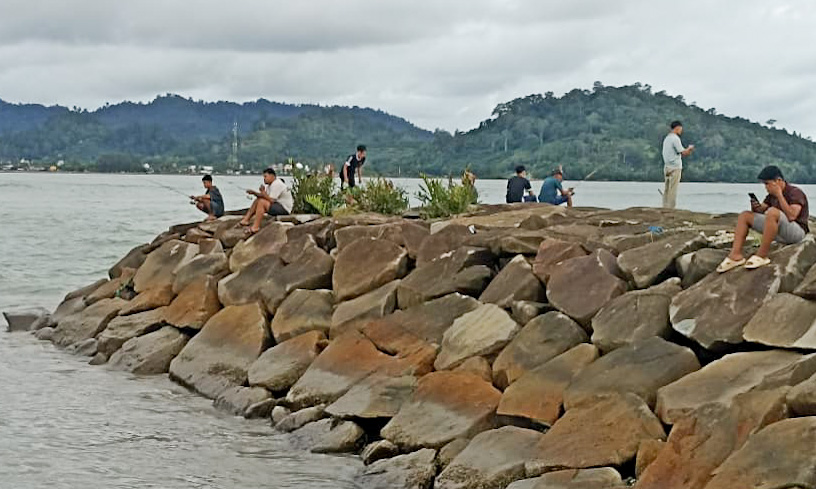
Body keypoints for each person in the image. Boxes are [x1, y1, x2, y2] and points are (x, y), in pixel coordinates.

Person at [717, 165, 809, 272]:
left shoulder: (795, 193)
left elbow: (792, 216)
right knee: (745, 215)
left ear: (778, 181)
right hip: (779, 232)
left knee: (773, 212)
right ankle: (735, 255)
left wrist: (779, 195)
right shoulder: (771, 196)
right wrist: (755, 207)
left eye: (767, 184)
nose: (766, 187)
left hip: (797, 233)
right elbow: (762, 211)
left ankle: (762, 255)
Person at [238, 168, 294, 234]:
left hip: (284, 208)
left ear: (272, 176)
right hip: (277, 205)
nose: (264, 179)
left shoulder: (277, 184)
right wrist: (254, 193)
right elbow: (264, 197)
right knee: (258, 200)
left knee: (261, 202)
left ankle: (255, 227)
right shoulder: (270, 185)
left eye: (265, 176)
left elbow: (271, 200)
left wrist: (263, 192)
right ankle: (246, 219)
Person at [662, 121, 695, 209]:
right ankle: (671, 208)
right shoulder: (675, 139)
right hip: (675, 167)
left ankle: (665, 206)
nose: (681, 131)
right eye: (680, 129)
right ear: (677, 128)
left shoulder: (667, 138)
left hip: (667, 167)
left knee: (667, 189)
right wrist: (690, 149)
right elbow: (683, 152)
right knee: (673, 189)